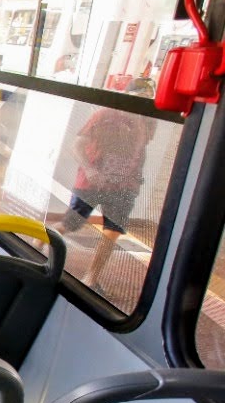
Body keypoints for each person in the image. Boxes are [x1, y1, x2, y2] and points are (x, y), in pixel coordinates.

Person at [59, 78, 157, 289]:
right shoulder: (106, 114)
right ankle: (37, 245)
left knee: (112, 231)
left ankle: (91, 277)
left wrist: (134, 181)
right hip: (92, 182)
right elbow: (77, 144)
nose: (143, 104)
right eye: (139, 98)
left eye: (147, 99)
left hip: (124, 187)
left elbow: (139, 150)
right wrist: (90, 170)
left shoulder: (149, 121)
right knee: (70, 224)